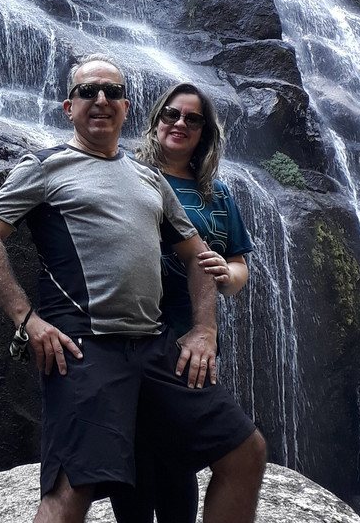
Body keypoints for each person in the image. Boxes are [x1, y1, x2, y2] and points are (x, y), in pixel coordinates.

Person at [0, 55, 265, 523]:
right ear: (68, 107)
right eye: (87, 92)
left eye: (110, 92)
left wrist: (204, 329)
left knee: (246, 451)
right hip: (85, 345)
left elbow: (199, 258)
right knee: (70, 492)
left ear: (125, 106)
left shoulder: (150, 178)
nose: (99, 100)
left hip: (155, 343)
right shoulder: (44, 166)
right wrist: (27, 320)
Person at [111, 82, 265, 523]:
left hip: (191, 340)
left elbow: (238, 272)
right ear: (156, 120)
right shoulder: (126, 174)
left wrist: (224, 271)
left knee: (178, 459)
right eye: (171, 115)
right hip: (132, 336)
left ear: (204, 134)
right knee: (139, 460)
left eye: (192, 119)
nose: (179, 124)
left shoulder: (219, 197)